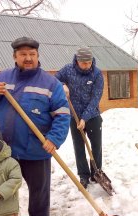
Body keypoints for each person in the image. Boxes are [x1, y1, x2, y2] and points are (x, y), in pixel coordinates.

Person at [0, 36, 70, 216]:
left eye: (32, 54)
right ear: (15, 56)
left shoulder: (50, 83)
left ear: (37, 56)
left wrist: (54, 139)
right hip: (5, 151)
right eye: (23, 54)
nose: (28, 58)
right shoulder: (2, 78)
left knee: (39, 191)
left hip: (36, 149)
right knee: (2, 191)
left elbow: (63, 114)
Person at [55, 47, 104, 189]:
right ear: (77, 61)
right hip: (73, 115)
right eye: (83, 63)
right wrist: (62, 85)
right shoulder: (68, 70)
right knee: (79, 147)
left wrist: (84, 118)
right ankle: (84, 175)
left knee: (96, 146)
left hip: (93, 116)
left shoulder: (97, 74)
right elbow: (54, 80)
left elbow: (96, 98)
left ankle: (96, 172)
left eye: (89, 63)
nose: (87, 66)